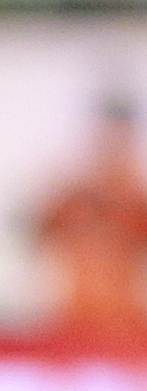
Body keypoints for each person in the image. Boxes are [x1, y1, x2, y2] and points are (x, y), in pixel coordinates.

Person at [28, 89, 147, 346]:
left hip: (126, 326)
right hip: (71, 321)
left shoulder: (135, 197)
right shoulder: (73, 194)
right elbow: (32, 233)